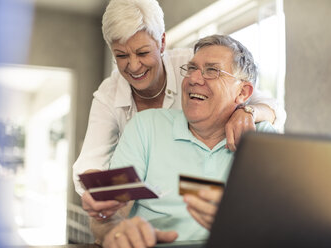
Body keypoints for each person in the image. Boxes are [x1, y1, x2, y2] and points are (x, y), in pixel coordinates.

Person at [73, 0, 286, 219]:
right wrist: (101, 200)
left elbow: (269, 105)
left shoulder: (192, 62)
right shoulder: (116, 101)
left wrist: (247, 112)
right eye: (121, 56)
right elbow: (92, 162)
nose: (134, 66)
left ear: (162, 43)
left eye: (143, 53)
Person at [90, 34, 276, 247]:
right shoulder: (144, 126)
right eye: (191, 69)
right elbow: (104, 212)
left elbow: (283, 225)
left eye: (212, 71)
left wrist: (239, 226)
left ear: (243, 92)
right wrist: (114, 230)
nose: (194, 79)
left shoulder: (263, 140)